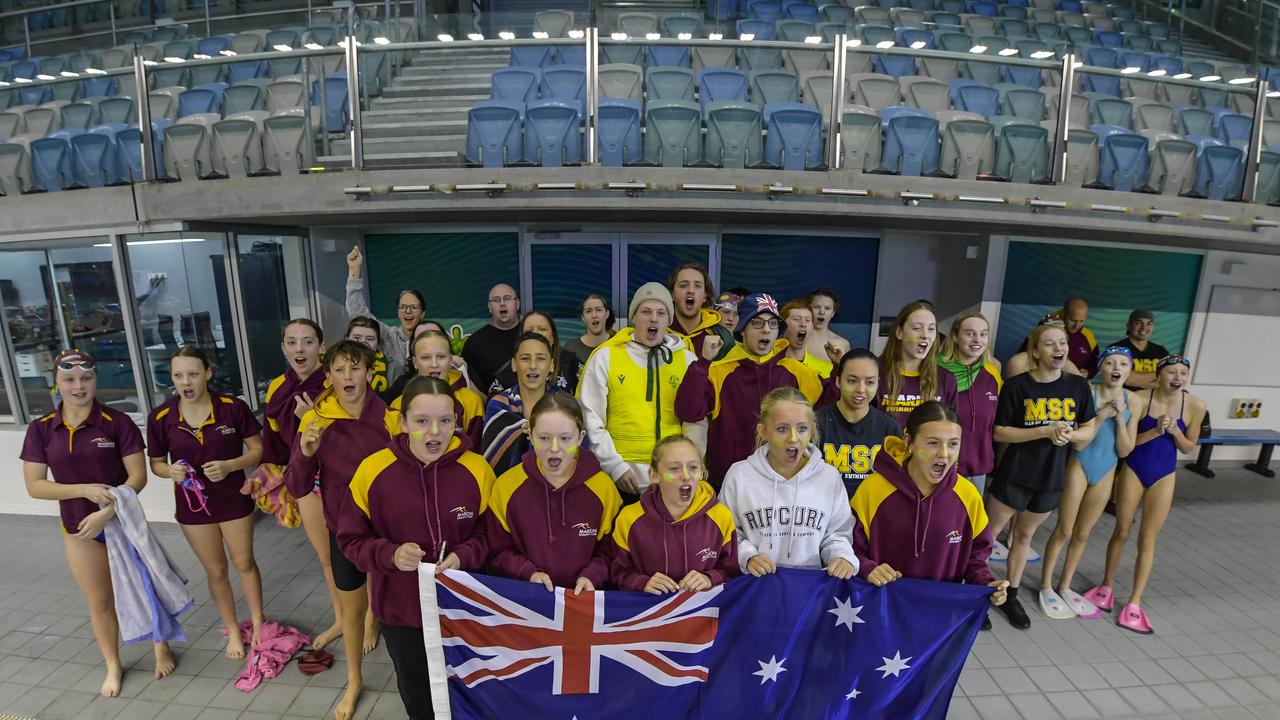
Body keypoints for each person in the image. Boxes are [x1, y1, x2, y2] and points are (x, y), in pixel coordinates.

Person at [337, 376, 495, 720]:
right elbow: (350, 539)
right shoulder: (372, 472)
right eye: (422, 421)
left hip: (462, 610)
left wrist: (464, 556)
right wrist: (389, 555)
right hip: (401, 612)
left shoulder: (478, 470)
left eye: (446, 420)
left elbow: (490, 535)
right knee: (417, 692)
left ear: (458, 421)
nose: (435, 432)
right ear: (403, 422)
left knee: (468, 691)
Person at [21, 349, 175, 697]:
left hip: (122, 524)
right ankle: (112, 663)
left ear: (95, 379)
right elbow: (35, 486)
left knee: (144, 587)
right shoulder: (42, 429)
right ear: (57, 383)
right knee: (100, 601)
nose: (79, 387)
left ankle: (159, 643)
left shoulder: (116, 422)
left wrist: (110, 509)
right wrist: (84, 491)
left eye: (86, 378)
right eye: (70, 380)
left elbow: (138, 477)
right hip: (80, 529)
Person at [286, 340, 398, 720]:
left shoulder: (390, 417)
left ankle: (401, 664)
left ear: (369, 372)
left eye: (355, 368)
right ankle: (354, 680)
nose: (348, 376)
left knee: (394, 609)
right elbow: (297, 486)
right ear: (328, 375)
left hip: (388, 535)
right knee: (352, 612)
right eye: (339, 369)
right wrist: (306, 450)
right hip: (346, 533)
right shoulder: (317, 419)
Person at [146, 346, 265, 660]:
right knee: (216, 572)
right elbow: (156, 463)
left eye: (193, 374)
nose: (186, 381)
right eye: (179, 375)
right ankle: (234, 630)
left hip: (233, 500)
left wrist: (230, 466)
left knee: (244, 564)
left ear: (208, 374)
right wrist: (169, 471)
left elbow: (257, 450)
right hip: (193, 507)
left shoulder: (231, 408)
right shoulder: (161, 417)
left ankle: (258, 623)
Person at [985, 321, 1098, 629]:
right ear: (1035, 351)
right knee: (988, 536)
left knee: (1023, 536)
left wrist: (1068, 436)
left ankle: (1011, 594)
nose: (1059, 348)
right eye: (1050, 343)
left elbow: (1089, 428)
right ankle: (975, 591)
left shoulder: (1077, 386)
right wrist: (1044, 430)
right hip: (1016, 472)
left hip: (1051, 476)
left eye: (1062, 343)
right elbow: (999, 432)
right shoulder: (1018, 385)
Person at [850, 401, 1009, 615]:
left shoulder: (968, 495)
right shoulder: (873, 490)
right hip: (881, 611)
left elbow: (976, 557)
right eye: (933, 443)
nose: (944, 454)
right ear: (909, 443)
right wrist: (869, 568)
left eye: (953, 444)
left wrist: (986, 583)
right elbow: (851, 549)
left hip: (938, 616)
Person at [1090, 355, 1204, 635]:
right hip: (1134, 471)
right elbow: (1128, 445)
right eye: (1171, 372)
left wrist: (1176, 431)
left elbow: (1189, 447)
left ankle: (1135, 601)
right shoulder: (1140, 398)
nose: (1177, 378)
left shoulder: (1195, 405)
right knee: (1122, 531)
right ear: (1158, 375)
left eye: (1182, 373)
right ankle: (1106, 584)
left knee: (1148, 539)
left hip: (1164, 476)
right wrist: (1155, 431)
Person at [676, 292, 823, 488]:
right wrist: (703, 363)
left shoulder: (798, 372)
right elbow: (688, 411)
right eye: (757, 323)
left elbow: (829, 412)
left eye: (772, 324)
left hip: (783, 484)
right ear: (742, 329)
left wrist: (840, 368)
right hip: (730, 483)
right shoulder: (720, 371)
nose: (766, 330)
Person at [579, 283, 704, 501]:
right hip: (618, 479)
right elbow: (589, 417)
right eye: (645, 312)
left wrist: (690, 470)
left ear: (669, 320)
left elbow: (696, 423)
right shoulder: (606, 357)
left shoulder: (687, 361)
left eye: (661, 313)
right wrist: (615, 467)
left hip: (671, 480)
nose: (653, 318)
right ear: (634, 318)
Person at [1039, 346, 1138, 620]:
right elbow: (1081, 443)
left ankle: (1065, 585)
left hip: (1107, 470)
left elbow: (1126, 450)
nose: (1116, 369)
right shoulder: (1086, 391)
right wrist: (1103, 415)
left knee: (1083, 534)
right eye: (1110, 363)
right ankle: (1046, 583)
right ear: (1101, 367)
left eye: (1123, 364)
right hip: (1079, 465)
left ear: (1130, 370)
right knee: (1065, 530)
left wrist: (1119, 418)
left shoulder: (1134, 401)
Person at [486, 394, 622, 593]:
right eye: (544, 438)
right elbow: (497, 551)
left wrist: (592, 575)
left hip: (581, 603)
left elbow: (611, 552)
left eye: (565, 438)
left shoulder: (603, 488)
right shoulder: (506, 486)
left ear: (580, 437)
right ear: (530, 435)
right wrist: (528, 573)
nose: (555, 448)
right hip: (527, 602)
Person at [720, 387, 858, 578]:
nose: (793, 439)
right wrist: (747, 556)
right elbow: (727, 532)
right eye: (782, 429)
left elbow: (837, 533)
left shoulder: (829, 477)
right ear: (763, 431)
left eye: (802, 429)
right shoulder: (739, 475)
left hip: (810, 589)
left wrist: (841, 556)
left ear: (812, 430)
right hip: (757, 586)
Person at [260, 319, 334, 643]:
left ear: (321, 347)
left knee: (356, 552)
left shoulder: (334, 383)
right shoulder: (277, 387)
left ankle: (369, 619)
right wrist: (274, 477)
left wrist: (311, 419)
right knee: (326, 557)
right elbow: (274, 441)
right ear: (283, 348)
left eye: (307, 342)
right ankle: (344, 617)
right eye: (292, 342)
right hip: (306, 481)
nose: (299, 349)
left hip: (340, 477)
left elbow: (351, 435)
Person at [611, 435, 741, 593]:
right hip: (651, 614)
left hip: (702, 613)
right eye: (674, 468)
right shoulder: (628, 518)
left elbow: (732, 572)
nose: (686, 476)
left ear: (702, 471)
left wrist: (709, 578)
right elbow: (617, 573)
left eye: (693, 467)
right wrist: (641, 583)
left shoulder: (721, 516)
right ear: (654, 475)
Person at [816, 349, 901, 500]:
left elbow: (897, 484)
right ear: (838, 381)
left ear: (878, 383)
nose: (861, 389)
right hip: (826, 517)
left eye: (869, 382)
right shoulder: (815, 424)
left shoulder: (890, 429)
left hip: (871, 518)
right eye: (852, 381)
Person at [937, 312, 1003, 496]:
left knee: (967, 522)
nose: (977, 340)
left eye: (983, 334)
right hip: (939, 463)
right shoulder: (935, 371)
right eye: (970, 333)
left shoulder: (992, 374)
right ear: (955, 337)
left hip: (977, 466)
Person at [391, 330, 486, 447]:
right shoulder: (399, 404)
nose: (434, 364)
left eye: (441, 357)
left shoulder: (471, 401)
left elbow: (475, 448)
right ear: (415, 362)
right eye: (426, 358)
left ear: (450, 360)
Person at [873, 301, 958, 430]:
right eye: (917, 328)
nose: (925, 335)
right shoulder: (874, 372)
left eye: (931, 329)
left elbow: (951, 429)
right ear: (899, 333)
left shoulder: (946, 379)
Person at [481, 332, 559, 473]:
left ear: (551, 365)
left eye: (541, 359)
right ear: (514, 364)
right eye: (525, 359)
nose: (533, 365)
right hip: (508, 487)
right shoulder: (498, 404)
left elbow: (578, 449)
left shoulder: (564, 405)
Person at [345, 246, 424, 380]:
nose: (408, 311)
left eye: (413, 307)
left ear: (423, 313)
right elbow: (358, 314)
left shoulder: (431, 336)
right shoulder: (388, 336)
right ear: (398, 312)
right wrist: (354, 270)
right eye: (403, 307)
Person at [381, 319, 468, 404]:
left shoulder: (468, 398)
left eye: (436, 334)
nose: (434, 364)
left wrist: (465, 374)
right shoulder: (402, 390)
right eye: (421, 337)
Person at [493, 310, 581, 393]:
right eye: (529, 331)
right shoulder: (506, 373)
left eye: (542, 329)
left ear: (553, 336)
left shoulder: (572, 363)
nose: (535, 334)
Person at [462, 283, 522, 395]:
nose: (502, 303)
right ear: (489, 307)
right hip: (491, 408)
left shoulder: (530, 334)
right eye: (496, 300)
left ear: (517, 304)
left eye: (507, 298)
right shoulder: (475, 343)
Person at [667, 263, 734, 361]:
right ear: (672, 294)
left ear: (705, 296)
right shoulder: (659, 333)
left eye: (697, 286)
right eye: (683, 285)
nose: (691, 290)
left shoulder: (723, 338)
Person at [1016, 298, 1098, 378]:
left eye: (1081, 321)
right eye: (1073, 320)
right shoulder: (1045, 327)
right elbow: (1022, 358)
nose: (1076, 326)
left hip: (1072, 385)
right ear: (1064, 314)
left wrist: (1088, 372)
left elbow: (1096, 362)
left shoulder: (1087, 336)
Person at [1110, 309, 1169, 391]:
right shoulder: (1116, 349)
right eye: (1138, 323)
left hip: (1153, 401)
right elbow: (1122, 378)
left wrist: (1133, 378)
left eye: (1149, 324)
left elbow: (1167, 378)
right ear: (1129, 326)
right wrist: (1157, 376)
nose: (1144, 327)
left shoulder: (1161, 351)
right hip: (1123, 400)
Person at [780, 299, 835, 379]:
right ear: (782, 326)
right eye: (797, 319)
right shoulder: (767, 363)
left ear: (812, 327)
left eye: (808, 320)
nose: (803, 324)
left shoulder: (828, 369)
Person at [346, 316, 391, 399]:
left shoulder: (393, 369)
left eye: (370, 339)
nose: (363, 342)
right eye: (356, 338)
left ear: (378, 344)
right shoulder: (333, 365)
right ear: (347, 339)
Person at [563, 293, 615, 364]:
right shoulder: (570, 349)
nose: (594, 315)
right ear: (583, 317)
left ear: (607, 314)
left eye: (598, 310)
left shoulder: (618, 345)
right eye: (588, 311)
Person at [806, 288, 850, 363]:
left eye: (827, 308)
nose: (822, 312)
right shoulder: (797, 340)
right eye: (816, 307)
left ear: (832, 313)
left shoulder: (843, 344)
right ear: (808, 309)